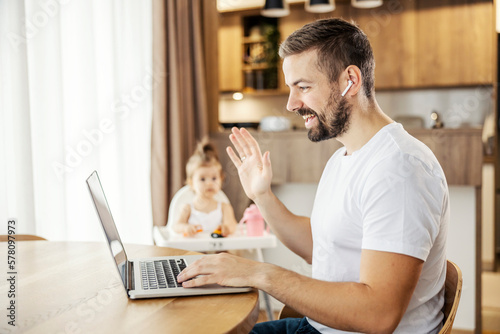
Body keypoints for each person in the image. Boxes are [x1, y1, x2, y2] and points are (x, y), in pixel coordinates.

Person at [178, 18, 449, 334]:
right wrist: (261, 195)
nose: (292, 104)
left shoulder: (400, 169)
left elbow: (378, 315)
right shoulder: (343, 157)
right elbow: (321, 246)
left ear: (350, 80)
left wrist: (258, 274)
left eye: (303, 87)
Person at [173, 140, 237, 237]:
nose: (209, 183)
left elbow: (233, 226)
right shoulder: (188, 208)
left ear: (221, 179)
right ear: (191, 183)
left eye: (214, 178)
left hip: (218, 251)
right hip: (194, 251)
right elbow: (175, 226)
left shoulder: (224, 207)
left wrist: (226, 228)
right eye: (202, 179)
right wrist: (185, 227)